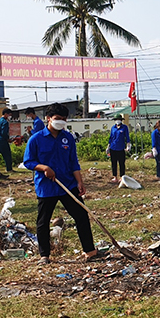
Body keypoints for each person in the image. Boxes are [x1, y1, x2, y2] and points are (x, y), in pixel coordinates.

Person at [23, 102, 99, 265]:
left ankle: (90, 251)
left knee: (81, 216)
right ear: (48, 119)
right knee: (43, 222)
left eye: (64, 119)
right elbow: (28, 161)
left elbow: (73, 162)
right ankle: (44, 255)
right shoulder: (36, 139)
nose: (61, 122)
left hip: (68, 184)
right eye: (58, 119)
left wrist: (79, 182)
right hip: (47, 187)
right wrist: (43, 167)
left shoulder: (67, 138)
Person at [106, 114, 131, 183]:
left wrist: (128, 145)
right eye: (116, 120)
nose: (117, 121)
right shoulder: (113, 128)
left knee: (121, 163)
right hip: (113, 148)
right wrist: (108, 146)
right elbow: (111, 137)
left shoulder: (124, 127)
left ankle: (122, 177)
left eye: (119, 120)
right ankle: (115, 177)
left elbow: (127, 137)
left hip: (121, 148)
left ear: (121, 120)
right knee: (114, 163)